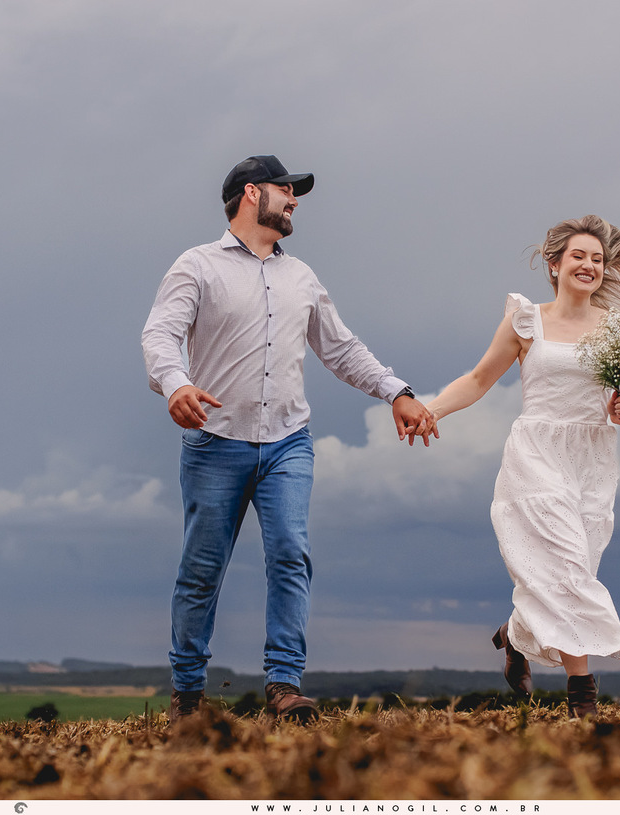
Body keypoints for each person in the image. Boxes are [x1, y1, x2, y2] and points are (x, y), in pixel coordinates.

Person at [141, 155, 434, 723]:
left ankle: (284, 684)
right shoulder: (196, 266)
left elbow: (341, 348)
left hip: (287, 443)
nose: (295, 199)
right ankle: (188, 694)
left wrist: (396, 390)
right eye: (286, 189)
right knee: (201, 570)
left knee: (290, 555)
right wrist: (175, 383)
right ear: (252, 193)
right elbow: (160, 334)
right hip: (214, 443)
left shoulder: (301, 276)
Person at [424, 215, 620, 718]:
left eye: (597, 259)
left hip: (591, 459)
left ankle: (515, 635)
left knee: (572, 571)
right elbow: (480, 378)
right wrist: (431, 409)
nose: (589, 265)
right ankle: (582, 693)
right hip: (537, 454)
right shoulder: (527, 320)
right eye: (578, 257)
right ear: (555, 265)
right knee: (568, 566)